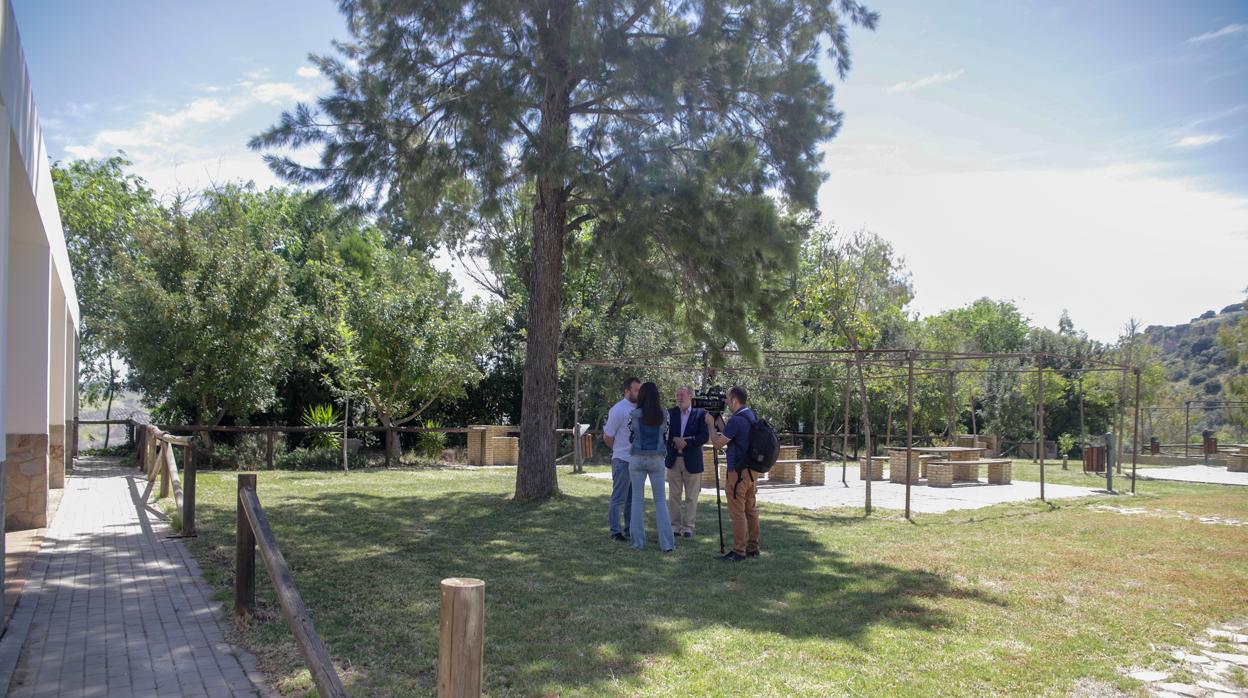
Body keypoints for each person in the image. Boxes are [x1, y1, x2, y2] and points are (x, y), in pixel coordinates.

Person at [710, 385, 760, 561]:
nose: (725, 401)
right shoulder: (750, 415)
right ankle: (753, 547)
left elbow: (718, 443)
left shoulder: (737, 420)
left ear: (735, 400)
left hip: (737, 473)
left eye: (727, 398)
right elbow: (731, 433)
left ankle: (739, 551)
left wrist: (710, 424)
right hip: (752, 471)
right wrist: (719, 420)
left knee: (737, 511)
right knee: (750, 509)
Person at [626, 382, 676, 552]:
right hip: (657, 459)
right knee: (660, 501)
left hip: (637, 458)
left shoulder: (634, 414)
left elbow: (631, 436)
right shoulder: (665, 414)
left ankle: (637, 543)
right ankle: (667, 544)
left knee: (637, 501)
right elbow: (666, 436)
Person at [665, 386, 709, 538]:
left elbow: (704, 436)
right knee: (674, 496)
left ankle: (688, 527)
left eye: (682, 395)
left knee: (691, 497)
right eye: (677, 395)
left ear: (691, 397)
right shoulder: (670, 413)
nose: (679, 398)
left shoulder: (700, 414)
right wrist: (673, 441)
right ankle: (674, 527)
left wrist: (687, 442)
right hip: (673, 460)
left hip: (692, 461)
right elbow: (664, 435)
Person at [602, 377, 639, 542]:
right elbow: (607, 436)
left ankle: (630, 530)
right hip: (622, 461)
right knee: (619, 497)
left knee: (632, 499)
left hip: (637, 461)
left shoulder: (641, 408)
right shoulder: (618, 409)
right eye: (636, 390)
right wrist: (619, 451)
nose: (640, 393)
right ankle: (615, 532)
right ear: (627, 391)